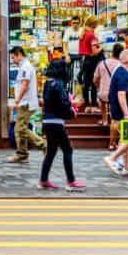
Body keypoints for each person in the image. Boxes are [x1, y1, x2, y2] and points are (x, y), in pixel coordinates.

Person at [37, 59, 86, 192]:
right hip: (56, 123)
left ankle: (43, 179)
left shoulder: (48, 83)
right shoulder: (58, 84)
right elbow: (63, 104)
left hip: (47, 121)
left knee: (51, 151)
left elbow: (49, 103)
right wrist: (73, 105)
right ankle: (71, 181)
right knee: (67, 150)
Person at [105, 49, 128, 177]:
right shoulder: (122, 74)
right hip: (125, 114)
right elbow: (121, 95)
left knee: (126, 139)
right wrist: (126, 114)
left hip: (125, 113)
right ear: (127, 60)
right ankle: (112, 158)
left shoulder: (123, 72)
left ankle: (126, 166)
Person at [8, 46, 46, 163]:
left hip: (26, 103)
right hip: (24, 103)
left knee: (20, 129)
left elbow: (25, 85)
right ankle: (22, 154)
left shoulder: (26, 67)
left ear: (19, 54)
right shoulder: (24, 66)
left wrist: (17, 101)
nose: (13, 60)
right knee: (19, 128)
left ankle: (43, 145)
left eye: (13, 57)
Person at [95, 43, 123, 129]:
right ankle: (114, 122)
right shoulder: (121, 65)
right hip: (116, 94)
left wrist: (98, 87)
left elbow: (95, 79)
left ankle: (104, 120)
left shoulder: (102, 63)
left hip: (103, 93)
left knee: (102, 100)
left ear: (112, 52)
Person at [79, 16, 102, 111]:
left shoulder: (83, 34)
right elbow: (94, 52)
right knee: (93, 83)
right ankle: (93, 104)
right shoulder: (91, 35)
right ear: (94, 25)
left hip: (84, 60)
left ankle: (86, 103)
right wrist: (102, 47)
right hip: (92, 61)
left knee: (86, 83)